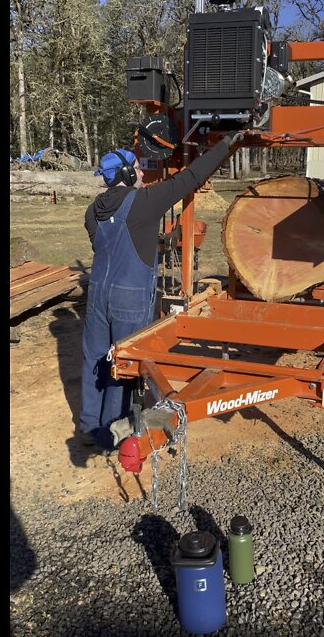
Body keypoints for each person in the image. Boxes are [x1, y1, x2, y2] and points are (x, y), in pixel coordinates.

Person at [79, 133, 243, 450]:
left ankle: (91, 424)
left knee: (95, 359)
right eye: (138, 169)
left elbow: (108, 248)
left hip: (98, 294)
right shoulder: (144, 202)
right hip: (130, 296)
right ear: (127, 174)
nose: (142, 173)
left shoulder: (92, 211)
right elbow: (192, 177)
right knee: (123, 363)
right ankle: (112, 434)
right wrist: (227, 145)